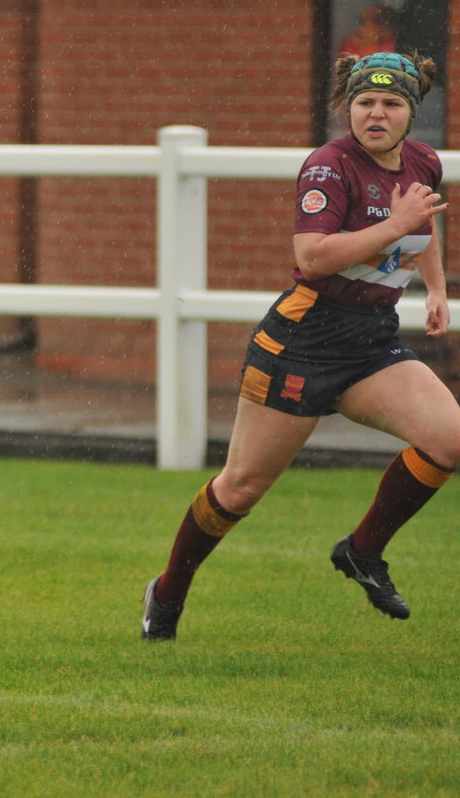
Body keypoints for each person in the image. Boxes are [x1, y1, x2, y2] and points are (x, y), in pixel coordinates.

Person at [141, 51, 453, 641]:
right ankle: (168, 591)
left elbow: (421, 221)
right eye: (365, 102)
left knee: (449, 439)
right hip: (301, 344)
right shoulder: (329, 167)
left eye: (390, 103)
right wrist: (393, 225)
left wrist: (435, 287)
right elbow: (313, 257)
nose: (376, 114)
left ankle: (363, 550)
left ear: (411, 113)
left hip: (370, 342)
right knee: (241, 488)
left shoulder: (422, 161)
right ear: (348, 109)